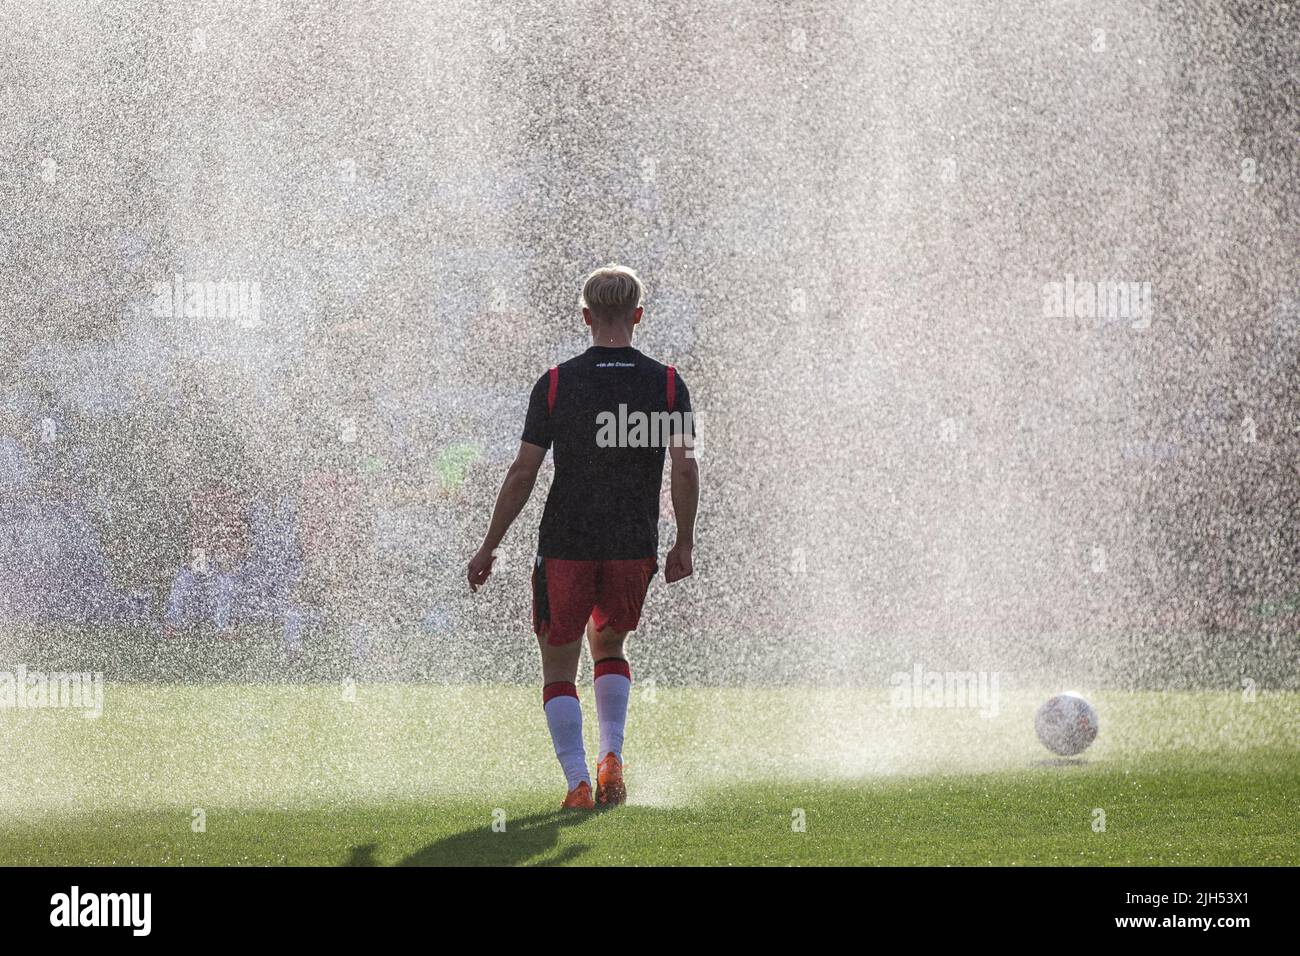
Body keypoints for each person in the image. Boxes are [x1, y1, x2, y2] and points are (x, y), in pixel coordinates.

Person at [467, 264, 700, 809]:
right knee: (611, 645)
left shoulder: (555, 384)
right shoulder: (667, 383)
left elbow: (523, 472)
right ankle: (611, 756)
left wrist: (490, 543)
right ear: (638, 316)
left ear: (586, 317)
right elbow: (685, 468)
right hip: (633, 544)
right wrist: (683, 541)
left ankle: (576, 782)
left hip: (566, 543)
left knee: (558, 662)